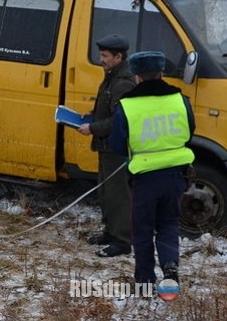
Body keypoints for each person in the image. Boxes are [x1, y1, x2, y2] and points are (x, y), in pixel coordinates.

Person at [109, 51, 195, 285]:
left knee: (143, 229)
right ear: (161, 73)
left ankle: (145, 281)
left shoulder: (127, 106)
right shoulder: (180, 99)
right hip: (177, 174)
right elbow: (191, 131)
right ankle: (170, 266)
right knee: (168, 223)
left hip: (145, 178)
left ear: (136, 76)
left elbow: (117, 144)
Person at [78, 34, 135, 258]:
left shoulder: (123, 83)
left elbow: (119, 121)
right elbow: (108, 108)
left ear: (118, 56)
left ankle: (121, 241)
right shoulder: (112, 75)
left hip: (115, 148)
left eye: (104, 56)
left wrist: (92, 128)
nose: (101, 59)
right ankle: (110, 232)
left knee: (117, 196)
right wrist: (92, 115)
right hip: (105, 146)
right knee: (105, 193)